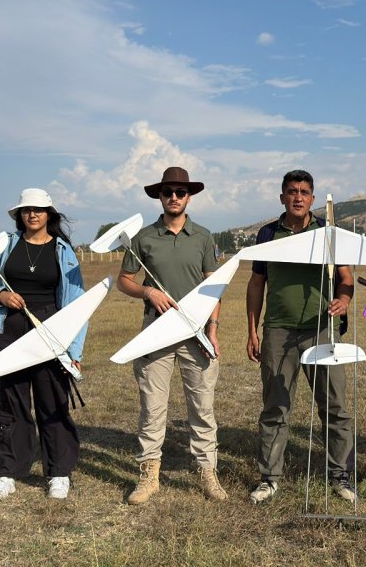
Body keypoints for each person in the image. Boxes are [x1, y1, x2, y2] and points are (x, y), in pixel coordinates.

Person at [245, 169, 356, 504]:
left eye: (305, 192)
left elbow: (346, 276)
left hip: (321, 329)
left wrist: (345, 299)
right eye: (292, 191)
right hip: (278, 329)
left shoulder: (327, 232)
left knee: (335, 405)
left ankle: (341, 475)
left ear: (312, 197)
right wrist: (253, 328)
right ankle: (269, 478)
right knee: (276, 405)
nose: (298, 197)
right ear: (282, 197)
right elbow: (257, 283)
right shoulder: (267, 234)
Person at [116, 167, 226, 504]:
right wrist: (147, 292)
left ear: (189, 196)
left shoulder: (204, 237)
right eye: (168, 192)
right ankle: (149, 474)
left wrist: (212, 329)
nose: (174, 197)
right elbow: (124, 280)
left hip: (197, 336)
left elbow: (215, 287)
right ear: (160, 196)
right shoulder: (144, 237)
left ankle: (208, 472)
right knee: (152, 407)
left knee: (202, 407)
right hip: (155, 334)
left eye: (180, 192)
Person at [0, 188, 87, 501]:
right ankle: (7, 473)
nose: (32, 214)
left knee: (52, 402)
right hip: (9, 331)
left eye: (39, 209)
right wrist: (0, 296)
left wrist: (73, 351)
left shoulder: (64, 251)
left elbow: (76, 302)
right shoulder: (5, 246)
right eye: (26, 210)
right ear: (19, 215)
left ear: (49, 214)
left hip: (51, 332)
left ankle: (59, 473)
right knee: (12, 404)